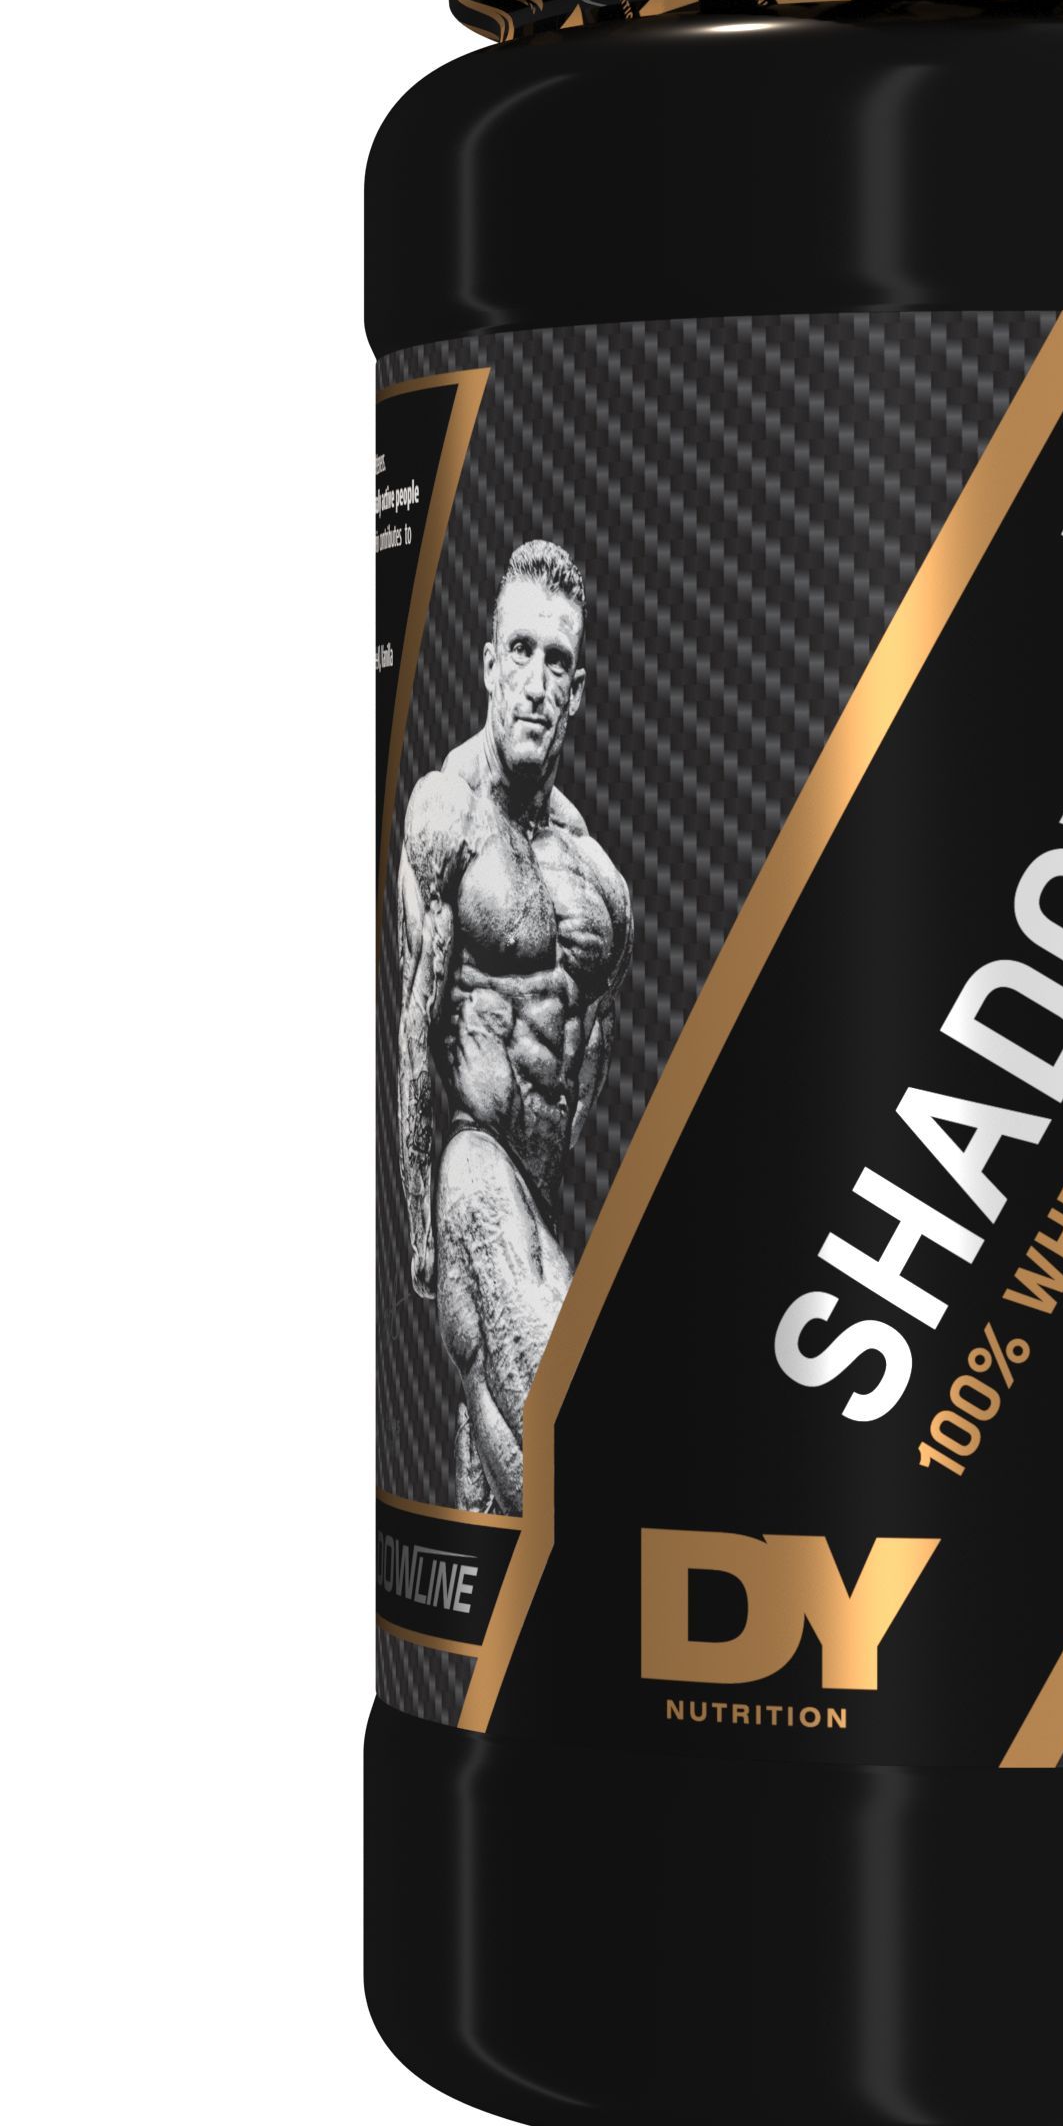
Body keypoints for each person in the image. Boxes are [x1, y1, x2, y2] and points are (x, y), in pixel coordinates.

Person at [394, 541, 635, 1509]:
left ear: (576, 691)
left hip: (538, 1194)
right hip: (470, 1166)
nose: (537, 683)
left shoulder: (598, 876)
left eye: (557, 662)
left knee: (495, 1486)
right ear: (490, 664)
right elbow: (416, 1028)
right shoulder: (446, 815)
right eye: (521, 653)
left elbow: (592, 1052)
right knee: (561, 1429)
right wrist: (424, 1232)